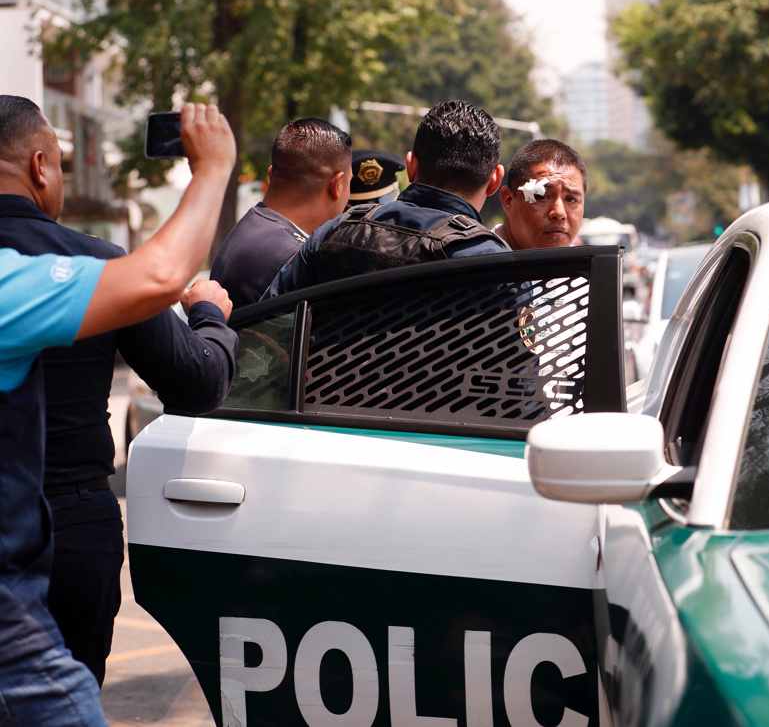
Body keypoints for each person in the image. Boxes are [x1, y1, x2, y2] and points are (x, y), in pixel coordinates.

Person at [0, 99, 235, 726]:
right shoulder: (90, 264)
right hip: (71, 530)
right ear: (42, 166)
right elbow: (197, 380)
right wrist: (209, 314)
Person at [264, 100, 508, 297]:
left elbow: (272, 325)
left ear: (411, 166)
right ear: (495, 180)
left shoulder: (333, 231)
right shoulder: (495, 264)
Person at [210, 118, 351, 308]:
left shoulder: (253, 228)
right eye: (350, 182)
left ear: (271, 174)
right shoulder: (297, 257)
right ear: (336, 185)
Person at [495, 139, 586, 250]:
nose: (559, 213)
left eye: (571, 199)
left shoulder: (585, 264)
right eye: (542, 197)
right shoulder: (477, 261)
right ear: (508, 200)